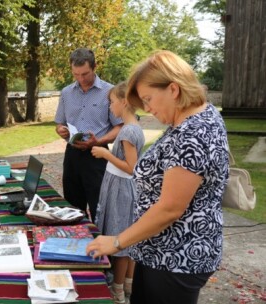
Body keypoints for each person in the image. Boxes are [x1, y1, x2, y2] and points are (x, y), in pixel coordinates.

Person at [86, 50, 229, 304]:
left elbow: (169, 209)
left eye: (149, 99)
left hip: (176, 257)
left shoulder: (193, 132)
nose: (148, 109)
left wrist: (117, 241)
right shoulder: (190, 119)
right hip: (159, 252)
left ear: (173, 89)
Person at [54, 47, 123, 222]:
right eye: (76, 74)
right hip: (72, 155)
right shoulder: (66, 92)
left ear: (94, 67)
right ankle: (76, 245)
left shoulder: (110, 92)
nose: (81, 79)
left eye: (85, 74)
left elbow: (119, 127)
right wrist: (60, 130)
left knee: (99, 206)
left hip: (98, 155)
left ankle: (101, 245)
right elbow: (59, 123)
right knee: (72, 207)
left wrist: (98, 141)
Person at [91, 81, 144, 303]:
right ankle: (129, 283)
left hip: (121, 190)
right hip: (122, 187)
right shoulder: (134, 127)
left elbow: (131, 167)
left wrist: (105, 154)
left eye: (111, 102)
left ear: (124, 102)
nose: (110, 107)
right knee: (127, 235)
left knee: (120, 239)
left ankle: (118, 289)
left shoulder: (127, 131)